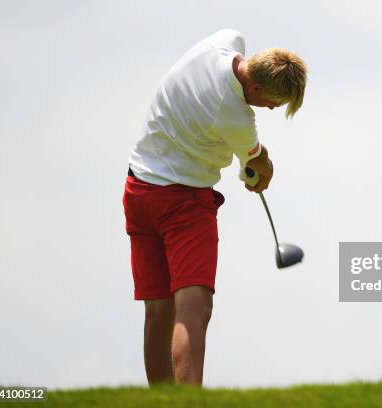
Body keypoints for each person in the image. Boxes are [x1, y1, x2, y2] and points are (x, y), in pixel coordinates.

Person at [122, 29, 307, 386]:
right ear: (255, 90)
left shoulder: (224, 42)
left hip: (138, 189)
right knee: (194, 308)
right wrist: (258, 171)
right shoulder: (236, 118)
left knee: (159, 310)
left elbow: (246, 155)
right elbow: (258, 167)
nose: (269, 109)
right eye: (272, 102)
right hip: (183, 202)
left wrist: (249, 162)